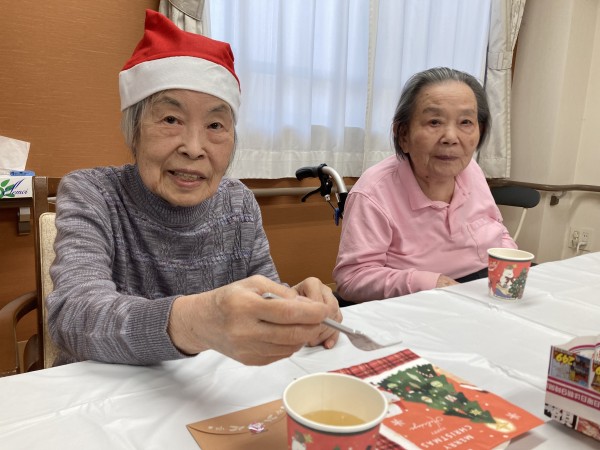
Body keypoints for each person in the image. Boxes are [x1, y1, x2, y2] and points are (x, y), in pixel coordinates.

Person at [46, 10, 341, 367]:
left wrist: (295, 311)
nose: (194, 148)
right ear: (134, 130)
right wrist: (197, 321)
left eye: (215, 125)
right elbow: (73, 316)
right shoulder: (93, 193)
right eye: (171, 119)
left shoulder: (238, 203)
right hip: (104, 391)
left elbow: (264, 295)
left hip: (207, 392)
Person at [333, 67, 517, 302]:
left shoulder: (472, 170)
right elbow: (352, 279)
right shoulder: (372, 193)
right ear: (403, 134)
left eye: (465, 122)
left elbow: (496, 229)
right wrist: (429, 283)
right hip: (416, 300)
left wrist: (510, 258)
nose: (451, 137)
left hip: (484, 287)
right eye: (434, 122)